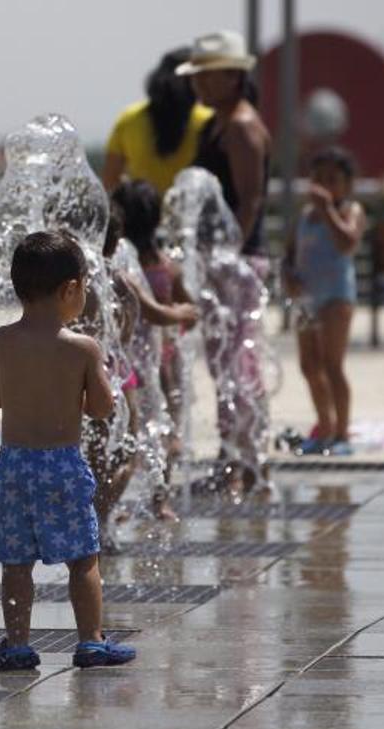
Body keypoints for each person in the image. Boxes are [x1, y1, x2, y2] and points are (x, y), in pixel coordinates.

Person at [0, 231, 137, 671]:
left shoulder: (1, 341)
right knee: (84, 559)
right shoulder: (82, 348)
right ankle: (91, 642)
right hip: (62, 465)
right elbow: (102, 408)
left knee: (15, 562)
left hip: (12, 466)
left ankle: (18, 644)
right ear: (70, 289)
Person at [112, 180, 199, 512]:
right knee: (165, 427)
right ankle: (160, 500)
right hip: (162, 359)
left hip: (126, 360)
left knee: (127, 431)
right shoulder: (166, 266)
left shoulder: (117, 265)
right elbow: (189, 311)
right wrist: (179, 321)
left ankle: (118, 500)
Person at [287, 147, 365, 456]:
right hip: (307, 297)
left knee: (333, 365)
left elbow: (347, 243)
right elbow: (290, 254)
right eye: (318, 178)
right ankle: (325, 426)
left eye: (332, 179)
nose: (324, 186)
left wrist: (329, 211)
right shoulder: (304, 217)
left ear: (346, 184)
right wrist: (288, 276)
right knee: (309, 364)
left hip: (336, 297)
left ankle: (343, 433)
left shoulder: (351, 211)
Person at [178, 31, 272, 257]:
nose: (199, 83)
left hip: (238, 257)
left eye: (207, 75)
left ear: (234, 76)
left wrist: (227, 258)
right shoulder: (213, 125)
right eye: (196, 76)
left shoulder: (241, 127)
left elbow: (249, 202)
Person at [102, 48, 214, 195]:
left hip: (143, 215)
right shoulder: (208, 120)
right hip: (191, 215)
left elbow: (110, 180)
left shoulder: (129, 119)